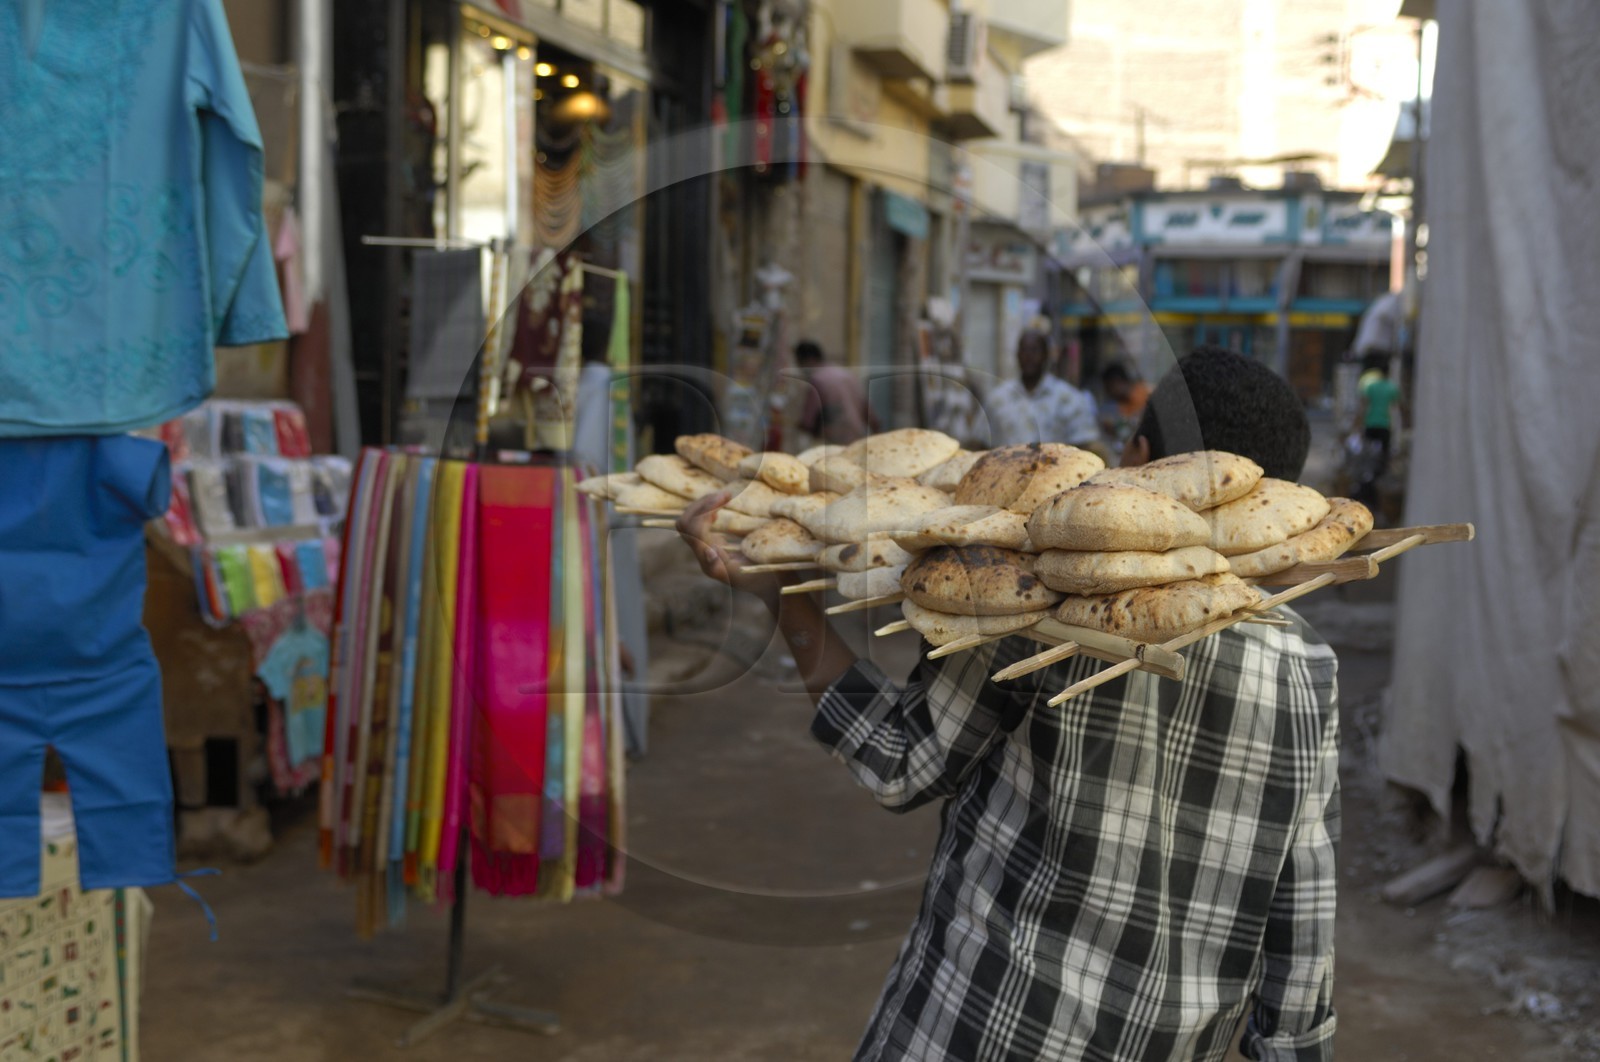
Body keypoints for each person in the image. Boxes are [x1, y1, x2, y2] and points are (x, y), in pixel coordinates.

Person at [678, 344, 1338, 1061]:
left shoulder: (1035, 610)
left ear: (1140, 456)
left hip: (975, 1028)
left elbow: (902, 763)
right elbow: (1301, 920)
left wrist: (786, 602)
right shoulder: (1307, 666)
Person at [984, 330, 1099, 447]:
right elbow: (979, 442)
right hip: (1004, 464)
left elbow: (1087, 444)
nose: (1029, 356)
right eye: (1024, 350)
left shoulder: (1069, 399)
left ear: (1046, 355)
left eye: (1035, 350)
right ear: (1017, 355)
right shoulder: (997, 400)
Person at [795, 340, 878, 445]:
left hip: (834, 443)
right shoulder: (847, 375)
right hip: (857, 439)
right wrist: (877, 436)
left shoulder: (817, 380)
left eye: (800, 364)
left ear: (808, 360)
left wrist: (799, 426)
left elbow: (807, 422)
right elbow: (869, 413)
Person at [1098, 360, 1152, 453]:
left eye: (1108, 388)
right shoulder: (1121, 405)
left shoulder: (1147, 393)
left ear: (1117, 382)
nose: (1108, 393)